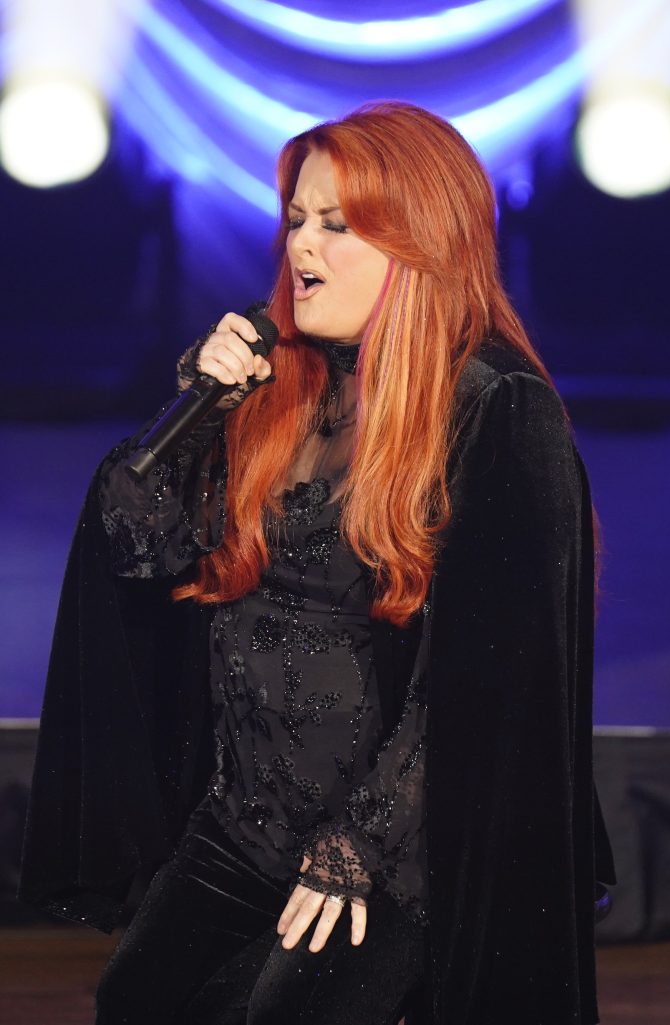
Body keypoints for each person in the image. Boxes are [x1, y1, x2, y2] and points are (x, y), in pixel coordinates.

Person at [18, 101, 615, 1025]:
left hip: (394, 841)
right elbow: (133, 539)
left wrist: (361, 846)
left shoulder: (494, 408)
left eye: (339, 226)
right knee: (135, 998)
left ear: (418, 243)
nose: (304, 247)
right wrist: (204, 407)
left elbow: (490, 675)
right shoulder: (279, 390)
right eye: (297, 218)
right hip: (244, 825)